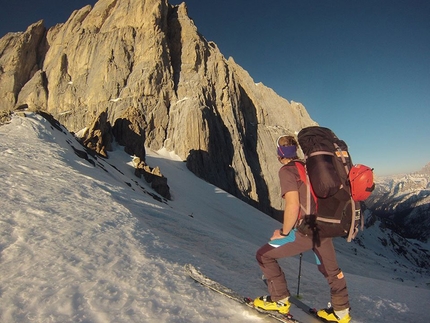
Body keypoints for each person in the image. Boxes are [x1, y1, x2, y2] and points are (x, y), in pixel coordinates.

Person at [253, 135, 351, 323]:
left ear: (280, 154)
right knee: (331, 270)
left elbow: (292, 205)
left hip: (307, 229)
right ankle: (341, 312)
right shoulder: (309, 167)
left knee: (264, 255)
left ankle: (279, 300)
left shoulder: (288, 171)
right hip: (324, 225)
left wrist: (283, 232)